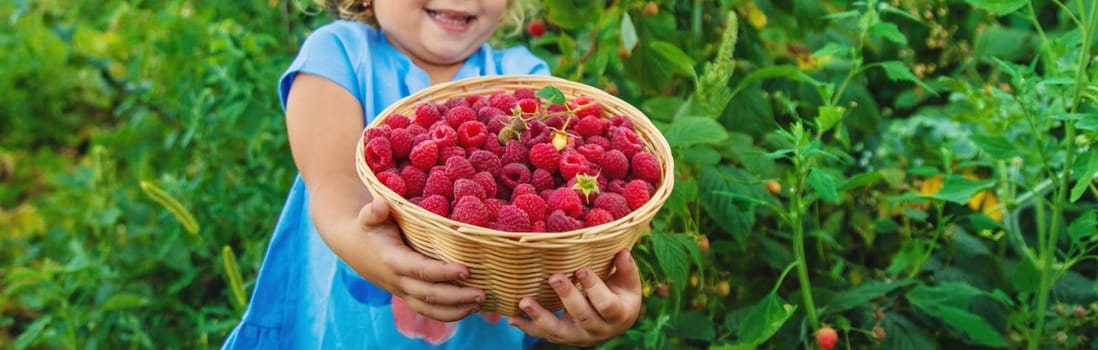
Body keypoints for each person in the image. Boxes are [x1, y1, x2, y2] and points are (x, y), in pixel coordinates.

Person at [222, 0, 643, 348]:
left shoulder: (526, 78)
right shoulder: (339, 53)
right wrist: (363, 246)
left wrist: (601, 300)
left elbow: (565, 224)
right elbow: (332, 181)